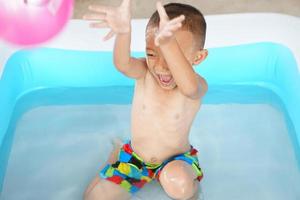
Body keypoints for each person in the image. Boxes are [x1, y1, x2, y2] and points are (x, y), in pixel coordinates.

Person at [83, 0, 208, 199]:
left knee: (179, 184)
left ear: (198, 58)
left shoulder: (197, 85)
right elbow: (123, 64)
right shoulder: (144, 72)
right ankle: (117, 154)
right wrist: (124, 32)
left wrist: (168, 44)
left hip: (177, 161)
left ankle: (192, 190)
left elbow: (189, 87)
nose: (160, 66)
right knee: (95, 197)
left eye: (173, 56)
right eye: (152, 53)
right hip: (136, 159)